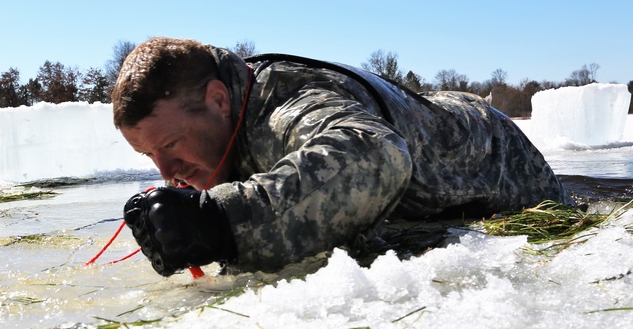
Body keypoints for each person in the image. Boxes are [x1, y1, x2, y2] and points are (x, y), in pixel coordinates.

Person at [112, 37, 572, 277]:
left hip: (493, 152)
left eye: (171, 145)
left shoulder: (283, 106)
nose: (166, 172)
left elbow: (376, 152)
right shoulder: (228, 124)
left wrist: (219, 221)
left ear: (218, 100)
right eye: (149, 154)